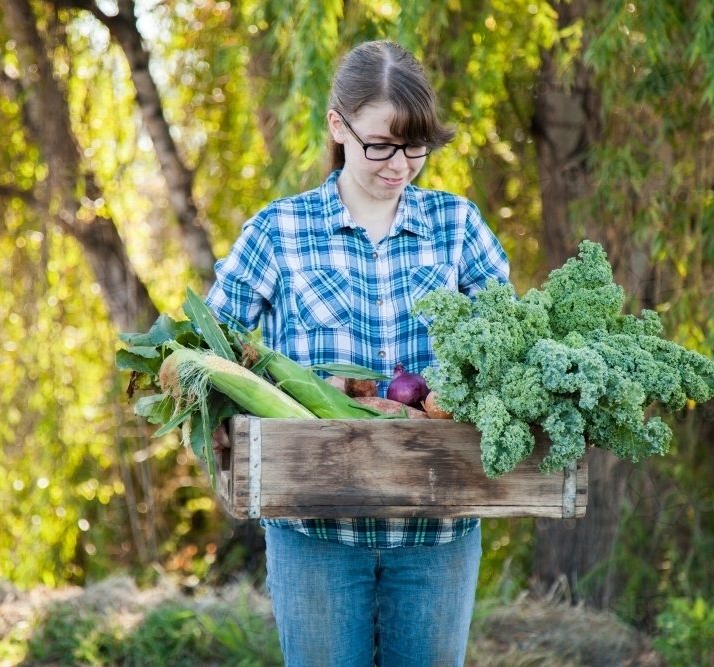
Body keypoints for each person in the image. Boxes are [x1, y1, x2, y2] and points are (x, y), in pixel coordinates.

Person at [205, 40, 510, 667]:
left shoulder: (460, 228)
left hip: (438, 531)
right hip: (315, 534)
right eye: (381, 144)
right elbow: (212, 345)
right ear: (338, 127)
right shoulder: (277, 231)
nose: (400, 164)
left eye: (416, 146)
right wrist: (219, 430)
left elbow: (514, 347)